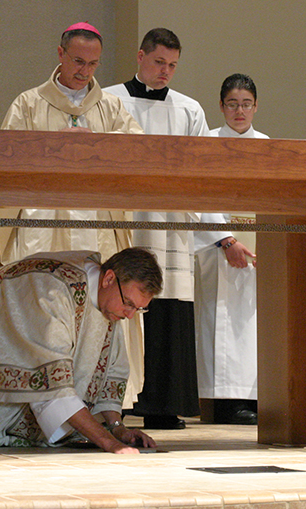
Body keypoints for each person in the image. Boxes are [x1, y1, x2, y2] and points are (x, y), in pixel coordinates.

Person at [0, 22, 146, 405]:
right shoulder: (28, 104)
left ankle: (99, 400)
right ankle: (40, 397)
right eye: (78, 61)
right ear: (60, 54)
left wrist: (96, 144)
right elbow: (5, 159)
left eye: (93, 64)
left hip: (99, 223)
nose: (84, 71)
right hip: (45, 223)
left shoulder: (111, 109)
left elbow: (139, 153)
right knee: (44, 308)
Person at [104, 28, 222, 429]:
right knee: (122, 309)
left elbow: (204, 169)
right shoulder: (108, 100)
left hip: (170, 225)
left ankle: (162, 405)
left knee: (166, 309)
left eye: (172, 65)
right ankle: (114, 402)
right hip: (128, 220)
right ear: (140, 57)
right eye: (158, 62)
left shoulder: (189, 109)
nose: (165, 71)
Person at [0, 247, 163, 453]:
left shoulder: (107, 299)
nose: (130, 315)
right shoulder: (53, 290)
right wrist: (108, 442)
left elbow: (111, 368)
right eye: (129, 304)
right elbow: (53, 383)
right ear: (108, 278)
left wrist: (117, 429)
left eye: (139, 309)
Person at [194, 74, 263, 425]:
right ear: (221, 106)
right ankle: (221, 401)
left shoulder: (267, 146)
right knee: (218, 324)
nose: (240, 111)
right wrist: (225, 238)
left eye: (246, 104)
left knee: (250, 327)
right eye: (233, 104)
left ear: (256, 106)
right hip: (216, 247)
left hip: (254, 248)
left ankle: (250, 397)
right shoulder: (205, 142)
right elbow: (198, 195)